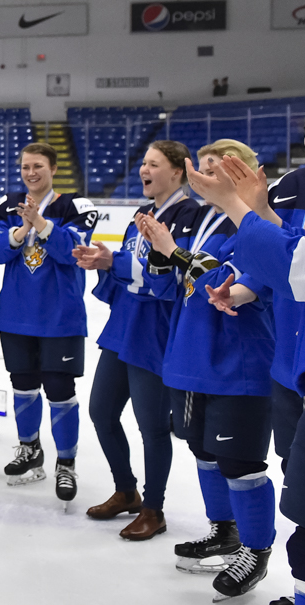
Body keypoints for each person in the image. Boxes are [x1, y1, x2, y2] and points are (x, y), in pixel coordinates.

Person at [190, 85, 305, 605]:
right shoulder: (297, 184)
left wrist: (235, 206)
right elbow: (281, 255)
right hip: (293, 365)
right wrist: (246, 286)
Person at [138, 140, 277, 602]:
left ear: (244, 173)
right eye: (202, 167)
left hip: (239, 363)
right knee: (203, 451)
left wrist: (173, 251)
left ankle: (255, 549)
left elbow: (229, 284)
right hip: (191, 358)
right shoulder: (200, 220)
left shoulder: (258, 221)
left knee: (240, 462)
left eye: (216, 168)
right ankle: (224, 531)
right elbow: (172, 287)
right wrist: (159, 254)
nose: (204, 176)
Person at [73, 140, 201, 539]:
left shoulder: (190, 215)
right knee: (101, 412)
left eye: (153, 164)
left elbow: (175, 276)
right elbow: (128, 268)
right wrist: (103, 263)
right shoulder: (141, 215)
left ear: (177, 171)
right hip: (124, 327)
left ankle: (153, 508)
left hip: (156, 332)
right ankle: (126, 490)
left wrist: (117, 263)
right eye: (143, 163)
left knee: (152, 427)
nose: (144, 170)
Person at [0, 142, 98, 504]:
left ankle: (66, 463)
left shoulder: (77, 207)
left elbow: (73, 253)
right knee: (23, 386)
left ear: (53, 169)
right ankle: (29, 448)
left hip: (60, 318)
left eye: (37, 166)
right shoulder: (9, 205)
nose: (30, 173)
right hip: (16, 315)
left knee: (60, 390)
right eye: (25, 167)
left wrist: (40, 223)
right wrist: (21, 230)